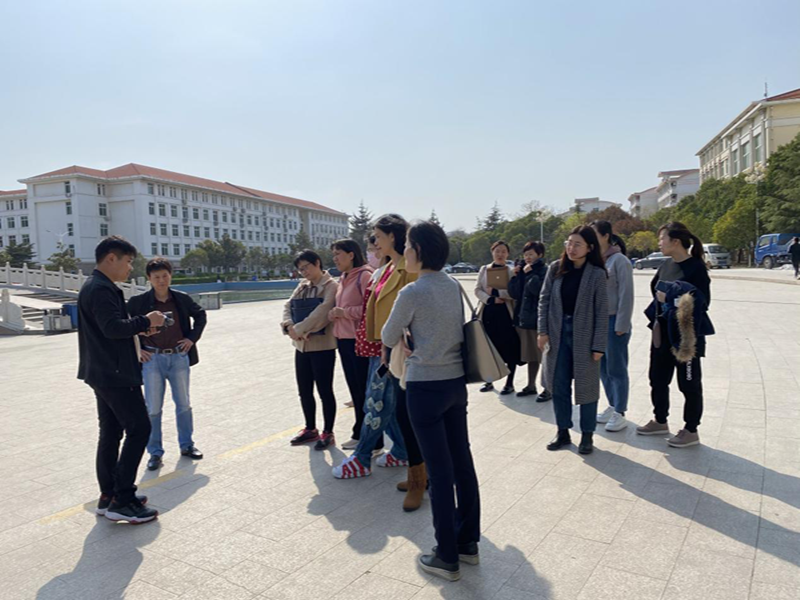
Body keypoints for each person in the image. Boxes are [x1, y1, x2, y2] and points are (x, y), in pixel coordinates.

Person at [382, 221, 480, 582]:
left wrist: (406, 334)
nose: (404, 251)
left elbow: (387, 335)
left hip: (424, 387)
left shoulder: (412, 291)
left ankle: (446, 556)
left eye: (408, 245)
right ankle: (468, 543)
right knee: (462, 464)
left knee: (439, 473)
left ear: (419, 250)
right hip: (455, 384)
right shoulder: (453, 285)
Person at [333, 214, 427, 513]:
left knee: (375, 402)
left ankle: (362, 458)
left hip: (396, 349)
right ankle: (400, 450)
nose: (374, 241)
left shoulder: (407, 270)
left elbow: (414, 312)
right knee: (388, 404)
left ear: (393, 237)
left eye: (378, 236)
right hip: (378, 345)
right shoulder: (384, 269)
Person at [77, 236, 163, 524]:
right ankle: (123, 499)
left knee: (111, 432)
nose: (129, 268)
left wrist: (138, 330)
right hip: (115, 373)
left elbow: (110, 329)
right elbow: (112, 328)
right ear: (111, 258)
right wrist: (146, 321)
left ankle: (109, 495)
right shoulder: (101, 289)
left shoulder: (96, 286)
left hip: (101, 370)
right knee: (140, 428)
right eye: (128, 262)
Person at [637, 222, 712, 448]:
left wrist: (671, 298)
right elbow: (655, 289)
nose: (659, 243)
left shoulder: (696, 268)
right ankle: (660, 420)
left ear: (675, 241)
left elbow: (702, 302)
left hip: (686, 336)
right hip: (662, 332)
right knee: (657, 378)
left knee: (689, 384)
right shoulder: (666, 264)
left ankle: (691, 430)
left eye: (662, 238)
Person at [128, 258, 207, 471]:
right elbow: (125, 326)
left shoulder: (181, 299)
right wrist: (137, 349)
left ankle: (187, 445)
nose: (161, 281)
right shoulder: (138, 302)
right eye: (156, 277)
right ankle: (155, 452)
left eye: (165, 276)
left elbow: (200, 315)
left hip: (178, 357)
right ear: (149, 278)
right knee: (153, 408)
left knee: (183, 403)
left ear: (170, 276)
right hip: (152, 360)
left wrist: (191, 339)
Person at [538, 226, 608, 455]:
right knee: (558, 386)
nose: (571, 248)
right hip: (557, 334)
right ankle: (563, 431)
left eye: (577, 244)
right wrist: (542, 331)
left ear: (589, 248)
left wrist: (599, 345)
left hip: (585, 337)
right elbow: (544, 300)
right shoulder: (556, 268)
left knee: (587, 388)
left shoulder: (597, 274)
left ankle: (587, 435)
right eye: (569, 243)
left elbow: (602, 311)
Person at [281, 250, 339, 450]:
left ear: (317, 263)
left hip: (322, 346)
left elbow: (323, 312)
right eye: (300, 269)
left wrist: (299, 329)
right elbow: (288, 306)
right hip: (302, 346)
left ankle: (328, 432)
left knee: (325, 390)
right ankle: (310, 428)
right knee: (304, 390)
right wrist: (289, 326)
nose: (304, 272)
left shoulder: (331, 286)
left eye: (306, 267)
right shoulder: (302, 286)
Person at [328, 239, 374, 448]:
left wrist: (344, 313)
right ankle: (362, 432)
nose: (335, 259)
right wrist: (335, 314)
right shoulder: (344, 278)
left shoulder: (365, 276)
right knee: (355, 390)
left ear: (351, 255)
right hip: (343, 340)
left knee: (363, 390)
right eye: (334, 255)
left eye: (338, 254)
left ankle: (366, 436)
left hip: (359, 341)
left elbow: (370, 309)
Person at [591, 221, 634, 432]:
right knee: (603, 369)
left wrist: (622, 324)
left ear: (606, 236)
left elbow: (627, 294)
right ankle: (612, 404)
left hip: (614, 321)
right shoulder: (595, 260)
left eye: (594, 234)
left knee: (617, 368)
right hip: (597, 322)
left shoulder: (619, 260)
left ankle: (620, 411)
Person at [474, 241, 521, 395]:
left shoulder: (511, 271)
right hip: (488, 312)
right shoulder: (484, 269)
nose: (500, 254)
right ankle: (489, 380)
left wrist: (497, 293)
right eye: (497, 251)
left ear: (508, 254)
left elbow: (514, 293)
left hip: (506, 314)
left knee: (509, 347)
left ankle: (509, 383)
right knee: (489, 348)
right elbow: (477, 289)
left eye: (503, 251)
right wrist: (490, 299)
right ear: (492, 252)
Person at [508, 241, 551, 402]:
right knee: (531, 355)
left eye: (531, 254)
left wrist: (531, 275)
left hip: (539, 320)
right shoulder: (523, 270)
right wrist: (516, 276)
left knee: (544, 355)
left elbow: (540, 291)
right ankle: (531, 385)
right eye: (526, 254)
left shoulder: (545, 271)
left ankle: (548, 388)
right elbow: (514, 293)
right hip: (525, 319)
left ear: (540, 255)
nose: (527, 257)